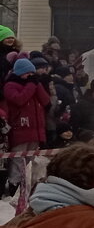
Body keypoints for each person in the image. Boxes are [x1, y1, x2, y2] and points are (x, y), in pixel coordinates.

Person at [4, 58, 50, 194]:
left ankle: (27, 188)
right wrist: (31, 85)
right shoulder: (10, 85)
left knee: (30, 163)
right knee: (18, 162)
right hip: (20, 129)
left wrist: (37, 84)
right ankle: (13, 187)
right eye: (27, 73)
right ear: (19, 72)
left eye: (32, 73)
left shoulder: (33, 84)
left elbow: (46, 101)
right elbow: (19, 100)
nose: (30, 76)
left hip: (35, 131)